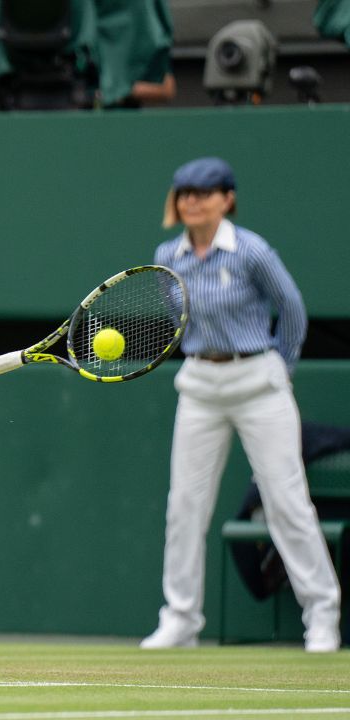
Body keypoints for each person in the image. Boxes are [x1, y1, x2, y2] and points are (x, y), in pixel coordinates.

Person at [140, 157, 341, 653]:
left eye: (204, 193)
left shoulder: (252, 251)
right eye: (185, 193)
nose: (193, 201)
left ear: (227, 199)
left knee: (286, 502)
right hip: (200, 386)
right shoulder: (168, 256)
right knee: (184, 507)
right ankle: (180, 620)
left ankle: (322, 615)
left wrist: (280, 368)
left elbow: (291, 309)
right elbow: (179, 319)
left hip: (258, 383)